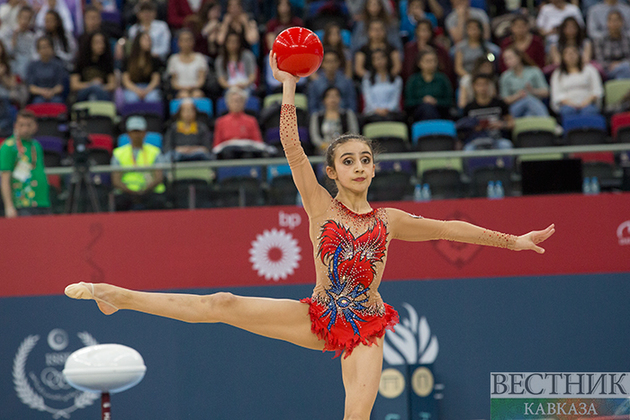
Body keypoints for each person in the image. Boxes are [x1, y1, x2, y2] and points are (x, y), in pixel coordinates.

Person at [64, 51, 556, 420]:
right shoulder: (320, 204)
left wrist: (513, 241)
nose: (360, 167)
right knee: (221, 304)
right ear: (333, 172)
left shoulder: (389, 221)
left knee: (356, 416)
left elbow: (452, 228)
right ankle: (116, 296)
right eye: (349, 161)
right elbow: (292, 148)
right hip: (317, 314)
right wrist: (287, 86)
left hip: (365, 325)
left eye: (366, 160)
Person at [0, 110, 51, 218]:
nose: (25, 129)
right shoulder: (8, 146)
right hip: (23, 203)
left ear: (35, 126)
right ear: (15, 126)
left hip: (42, 201)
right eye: (21, 125)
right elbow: (5, 178)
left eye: (29, 125)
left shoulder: (36, 145)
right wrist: (9, 206)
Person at [111, 116, 167, 211]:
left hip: (150, 191)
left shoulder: (155, 152)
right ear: (128, 134)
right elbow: (116, 180)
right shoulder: (118, 153)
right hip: (127, 192)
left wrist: (144, 191)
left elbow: (159, 177)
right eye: (134, 131)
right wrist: (131, 192)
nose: (137, 135)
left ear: (145, 133)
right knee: (119, 202)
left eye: (139, 131)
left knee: (159, 201)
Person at [460, 73, 514, 152]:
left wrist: (502, 125)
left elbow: (511, 123)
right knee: (468, 149)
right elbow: (463, 129)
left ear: (489, 86)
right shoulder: (469, 108)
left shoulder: (499, 104)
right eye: (479, 85)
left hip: (496, 140)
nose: (482, 88)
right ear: (474, 87)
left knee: (506, 145)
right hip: (476, 140)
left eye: (485, 84)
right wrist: (474, 127)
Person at [550, 45, 603, 120]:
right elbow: (556, 94)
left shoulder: (590, 70)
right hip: (567, 105)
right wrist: (572, 104)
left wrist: (586, 102)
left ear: (579, 55)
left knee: (589, 111)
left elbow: (597, 90)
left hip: (588, 103)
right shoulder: (557, 74)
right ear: (563, 57)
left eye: (573, 52)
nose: (571, 55)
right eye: (567, 53)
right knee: (568, 112)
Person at [499, 47, 549, 117]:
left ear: (519, 57)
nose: (507, 61)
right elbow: (505, 99)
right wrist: (518, 96)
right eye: (505, 59)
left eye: (510, 58)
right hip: (515, 107)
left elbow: (546, 92)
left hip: (534, 105)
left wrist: (533, 91)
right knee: (527, 99)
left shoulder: (534, 71)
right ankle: (547, 122)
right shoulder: (505, 77)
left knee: (529, 114)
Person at [405, 48, 453, 121]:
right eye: (428, 61)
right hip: (418, 113)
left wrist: (436, 101)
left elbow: (449, 101)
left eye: (434, 61)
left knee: (430, 109)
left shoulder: (442, 79)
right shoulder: (413, 80)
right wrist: (422, 100)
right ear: (419, 63)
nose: (432, 64)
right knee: (426, 108)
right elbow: (408, 102)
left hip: (440, 111)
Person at [310, 86, 360, 154]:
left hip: (345, 149)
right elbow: (315, 136)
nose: (333, 99)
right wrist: (325, 146)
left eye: (336, 96)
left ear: (340, 99)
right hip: (323, 151)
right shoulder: (317, 116)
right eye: (329, 96)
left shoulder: (348, 114)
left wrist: (342, 146)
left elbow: (354, 132)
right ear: (324, 100)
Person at [402, 18, 453, 83]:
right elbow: (407, 71)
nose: (425, 33)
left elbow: (446, 70)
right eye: (423, 30)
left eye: (428, 30)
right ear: (417, 31)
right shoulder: (409, 49)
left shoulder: (440, 49)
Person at [70, 31, 116, 102]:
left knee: (93, 96)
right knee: (93, 93)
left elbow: (112, 85)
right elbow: (74, 85)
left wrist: (99, 86)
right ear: (90, 44)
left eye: (102, 42)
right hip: (84, 93)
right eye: (97, 43)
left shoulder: (107, 61)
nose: (101, 45)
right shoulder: (81, 61)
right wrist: (92, 84)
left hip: (102, 91)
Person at [361, 49, 404, 123]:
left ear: (387, 59)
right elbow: (368, 99)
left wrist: (387, 109)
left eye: (381, 58)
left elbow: (395, 99)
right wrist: (377, 110)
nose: (379, 61)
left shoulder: (396, 79)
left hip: (391, 112)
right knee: (377, 119)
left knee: (390, 118)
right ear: (372, 61)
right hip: (372, 112)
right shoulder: (367, 79)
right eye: (376, 59)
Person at [122, 32, 163, 104]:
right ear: (138, 42)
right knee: (131, 98)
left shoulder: (154, 60)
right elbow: (126, 80)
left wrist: (146, 91)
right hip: (133, 88)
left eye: (149, 40)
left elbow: (156, 79)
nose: (149, 42)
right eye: (145, 40)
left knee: (153, 98)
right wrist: (137, 90)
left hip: (149, 88)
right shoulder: (128, 60)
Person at [167, 29, 209, 98]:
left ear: (193, 42)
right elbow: (173, 81)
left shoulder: (200, 58)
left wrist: (192, 87)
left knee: (197, 95)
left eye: (189, 40)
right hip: (180, 90)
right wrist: (183, 88)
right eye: (183, 40)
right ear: (178, 42)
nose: (186, 43)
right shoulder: (173, 59)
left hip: (196, 88)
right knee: (184, 95)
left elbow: (202, 79)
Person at [26, 36, 68, 103]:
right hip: (38, 95)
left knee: (57, 101)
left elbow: (60, 86)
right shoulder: (32, 65)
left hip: (54, 94)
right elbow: (31, 87)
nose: (46, 50)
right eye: (43, 47)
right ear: (38, 50)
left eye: (48, 47)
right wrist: (42, 92)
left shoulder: (58, 65)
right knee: (38, 102)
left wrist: (51, 92)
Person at [1, 6, 36, 79]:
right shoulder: (7, 32)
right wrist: (14, 38)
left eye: (28, 19)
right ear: (18, 17)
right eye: (23, 17)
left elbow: (33, 55)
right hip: (9, 66)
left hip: (25, 68)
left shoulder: (32, 37)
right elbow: (5, 52)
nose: (25, 21)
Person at [593, 10, 630, 79]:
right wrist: (611, 65)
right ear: (607, 23)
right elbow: (599, 60)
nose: (614, 23)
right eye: (612, 21)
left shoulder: (628, 39)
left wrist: (619, 64)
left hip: (627, 67)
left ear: (622, 22)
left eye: (617, 20)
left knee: (624, 70)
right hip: (608, 70)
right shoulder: (600, 40)